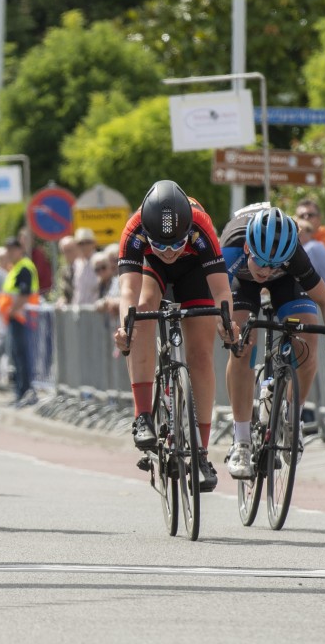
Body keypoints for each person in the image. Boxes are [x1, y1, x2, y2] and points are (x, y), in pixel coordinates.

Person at [113, 180, 236, 493]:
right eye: (161, 245)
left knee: (201, 354)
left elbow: (222, 289)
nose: (168, 252)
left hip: (195, 271)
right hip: (152, 272)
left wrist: (228, 323)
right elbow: (127, 289)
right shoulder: (135, 228)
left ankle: (202, 453)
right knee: (141, 311)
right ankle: (143, 416)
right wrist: (125, 327)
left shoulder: (200, 225)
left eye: (175, 244)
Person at [221, 205, 325, 479]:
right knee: (242, 344)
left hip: (287, 283)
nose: (266, 271)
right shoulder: (230, 248)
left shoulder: (292, 255)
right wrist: (229, 330)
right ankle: (241, 441)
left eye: (273, 264)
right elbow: (217, 302)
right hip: (241, 283)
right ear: (247, 250)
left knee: (307, 337)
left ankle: (293, 419)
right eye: (262, 262)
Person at [0, 236, 39, 407]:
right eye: (7, 249)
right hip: (17, 318)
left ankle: (25, 392)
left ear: (20, 250)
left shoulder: (24, 268)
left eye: (12, 249)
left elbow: (25, 294)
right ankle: (20, 393)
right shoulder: (15, 268)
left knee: (22, 357)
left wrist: (12, 311)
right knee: (17, 356)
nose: (9, 253)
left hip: (22, 318)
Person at [297, 218, 325, 293]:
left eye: (299, 234)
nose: (296, 238)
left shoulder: (311, 248)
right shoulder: (316, 246)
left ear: (309, 233)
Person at [70, 227, 99, 306]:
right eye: (81, 243)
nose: (84, 246)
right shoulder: (76, 263)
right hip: (78, 309)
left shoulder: (100, 260)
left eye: (88, 242)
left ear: (94, 243)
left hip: (96, 310)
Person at [55, 235, 80, 306]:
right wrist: (62, 300)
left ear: (77, 249)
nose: (67, 254)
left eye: (69, 250)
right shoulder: (65, 271)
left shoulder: (86, 267)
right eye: (64, 251)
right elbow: (65, 293)